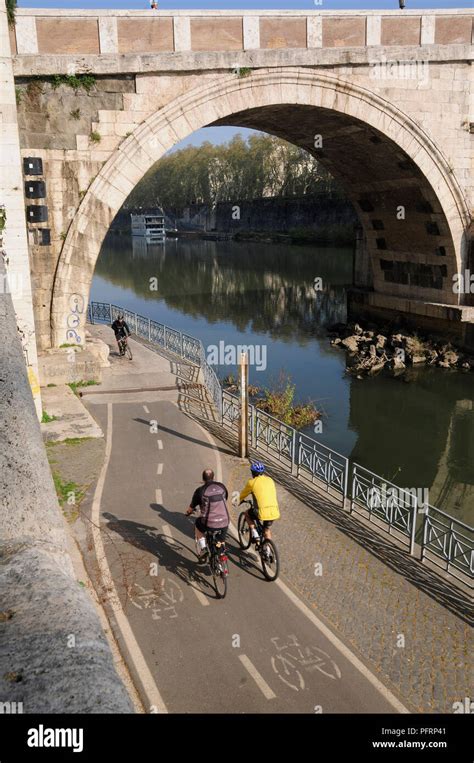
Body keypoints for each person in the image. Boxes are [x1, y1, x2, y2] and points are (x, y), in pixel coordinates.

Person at [185, 469, 229, 564]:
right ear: (213, 477)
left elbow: (191, 508)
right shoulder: (221, 487)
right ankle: (222, 555)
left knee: (197, 524)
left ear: (203, 479)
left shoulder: (200, 491)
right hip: (225, 521)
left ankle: (203, 548)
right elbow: (226, 498)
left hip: (209, 523)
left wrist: (188, 513)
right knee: (221, 540)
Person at [239, 461, 280, 542]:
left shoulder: (252, 482)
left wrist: (238, 501)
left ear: (252, 473)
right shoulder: (270, 480)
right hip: (274, 511)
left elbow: (242, 495)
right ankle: (268, 550)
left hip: (261, 512)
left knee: (247, 514)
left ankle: (255, 533)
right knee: (266, 529)